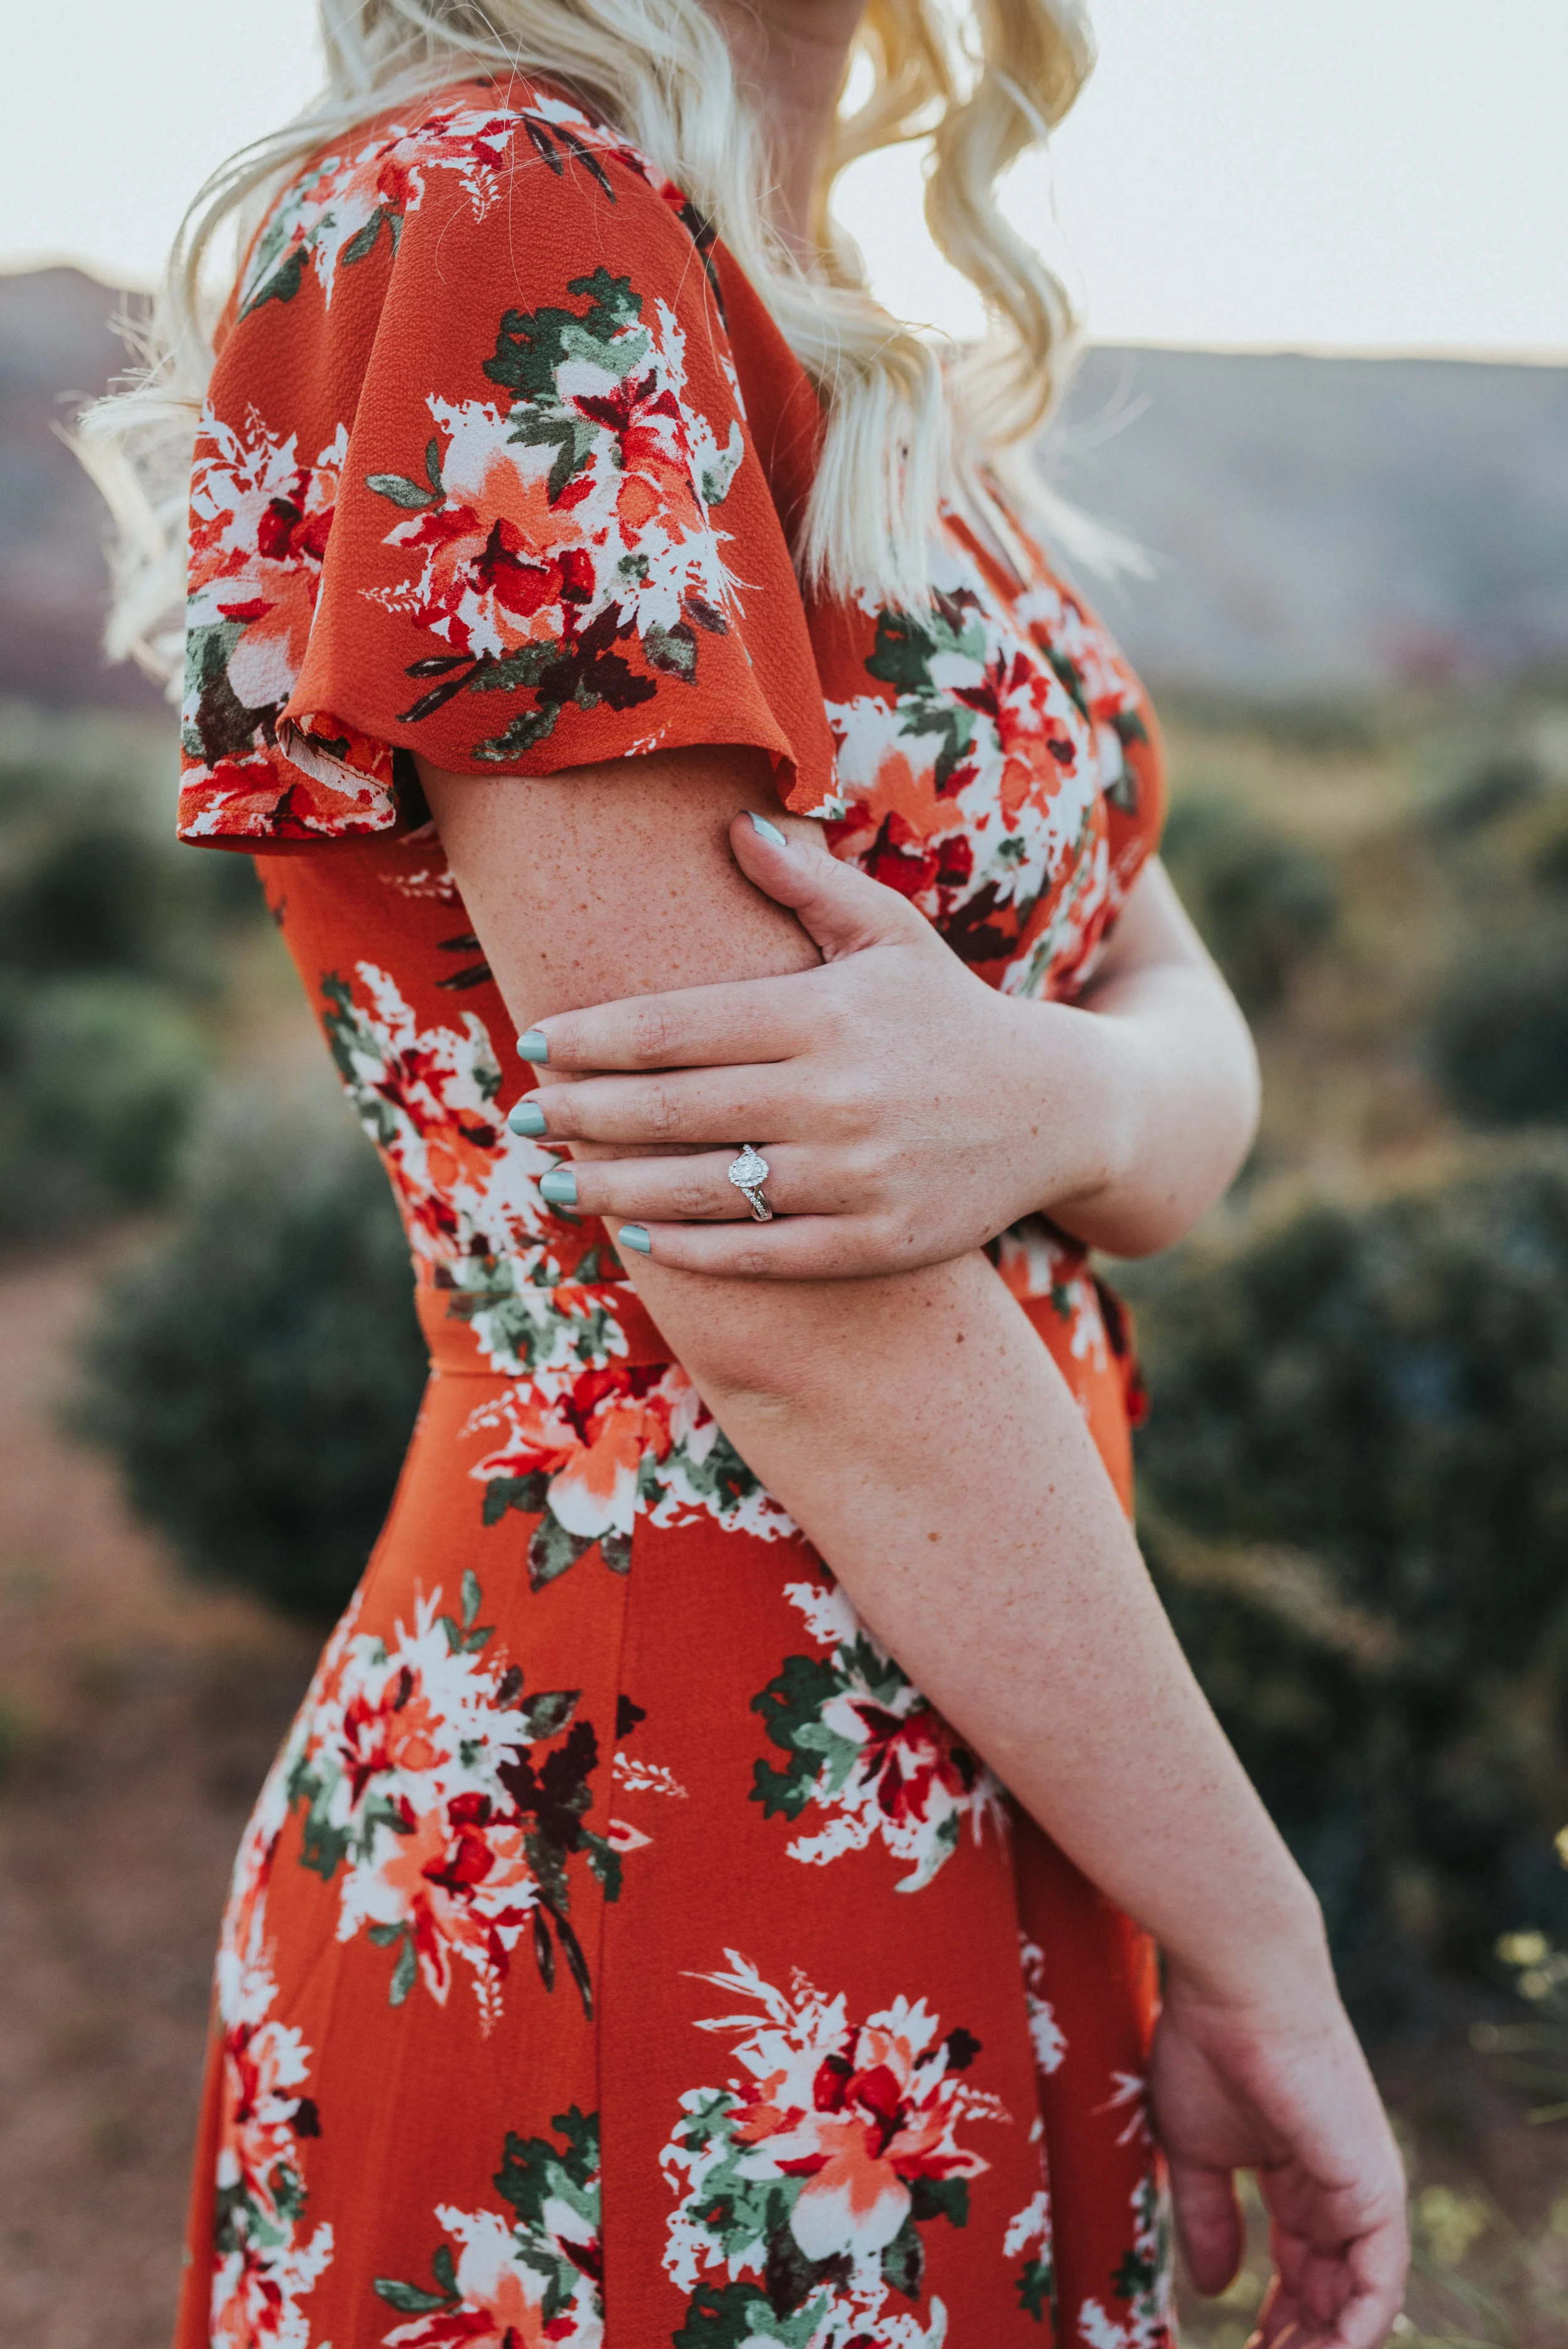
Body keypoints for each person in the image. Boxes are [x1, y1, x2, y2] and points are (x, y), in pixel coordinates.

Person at [87, 1, 1408, 2343]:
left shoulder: (828, 323)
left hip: (1007, 1716)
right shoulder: (502, 216)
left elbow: (1175, 1048)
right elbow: (777, 1276)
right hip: (657, 1812)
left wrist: (1051, 1105)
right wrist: (1260, 1932)